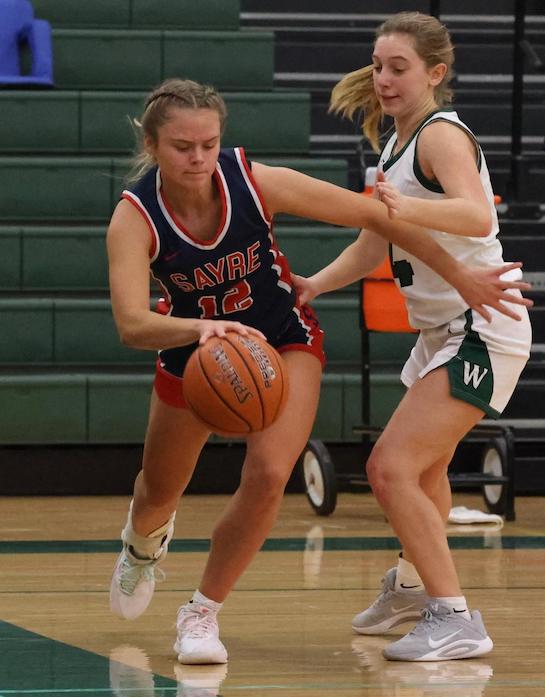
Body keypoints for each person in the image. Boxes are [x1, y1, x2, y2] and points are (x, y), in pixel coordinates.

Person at [106, 77, 532, 665]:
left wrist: (461, 276)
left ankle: (202, 612)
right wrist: (201, 329)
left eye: (209, 143)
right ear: (152, 146)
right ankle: (142, 543)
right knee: (158, 491)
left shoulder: (253, 182)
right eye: (183, 147)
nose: (199, 157)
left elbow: (375, 217)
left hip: (283, 338)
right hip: (193, 348)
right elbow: (132, 324)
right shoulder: (134, 218)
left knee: (269, 474)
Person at [292, 12, 532, 662]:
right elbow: (373, 245)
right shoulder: (392, 148)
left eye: (398, 68)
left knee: (387, 467)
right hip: (441, 329)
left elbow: (476, 213)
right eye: (378, 66)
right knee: (423, 471)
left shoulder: (440, 135)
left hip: (481, 322)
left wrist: (406, 207)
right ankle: (410, 587)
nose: (383, 78)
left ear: (434, 73)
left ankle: (454, 618)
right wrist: (314, 284)